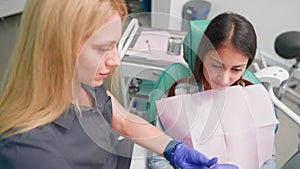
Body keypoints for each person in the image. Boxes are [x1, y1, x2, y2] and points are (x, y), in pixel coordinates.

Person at [0, 0, 239, 169]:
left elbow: (121, 118)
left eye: (115, 44)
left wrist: (174, 150)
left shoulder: (79, 82)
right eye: (103, 48)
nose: (115, 61)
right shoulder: (29, 154)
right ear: (57, 47)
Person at [149, 12, 279, 169]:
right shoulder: (178, 96)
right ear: (202, 56)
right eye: (217, 66)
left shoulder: (255, 99)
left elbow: (268, 159)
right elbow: (158, 159)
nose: (224, 79)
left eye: (237, 69)